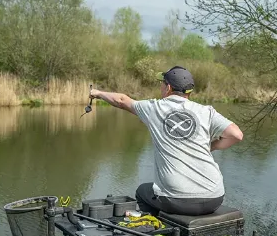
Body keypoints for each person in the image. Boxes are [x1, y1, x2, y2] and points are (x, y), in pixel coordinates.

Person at [89, 66, 243, 216]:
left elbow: (121, 100)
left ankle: (153, 231)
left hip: (176, 200)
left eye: (161, 84)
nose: (160, 87)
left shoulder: (154, 108)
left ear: (168, 87)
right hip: (214, 197)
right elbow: (236, 135)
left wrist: (97, 93)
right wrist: (211, 146)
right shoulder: (206, 111)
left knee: (142, 192)